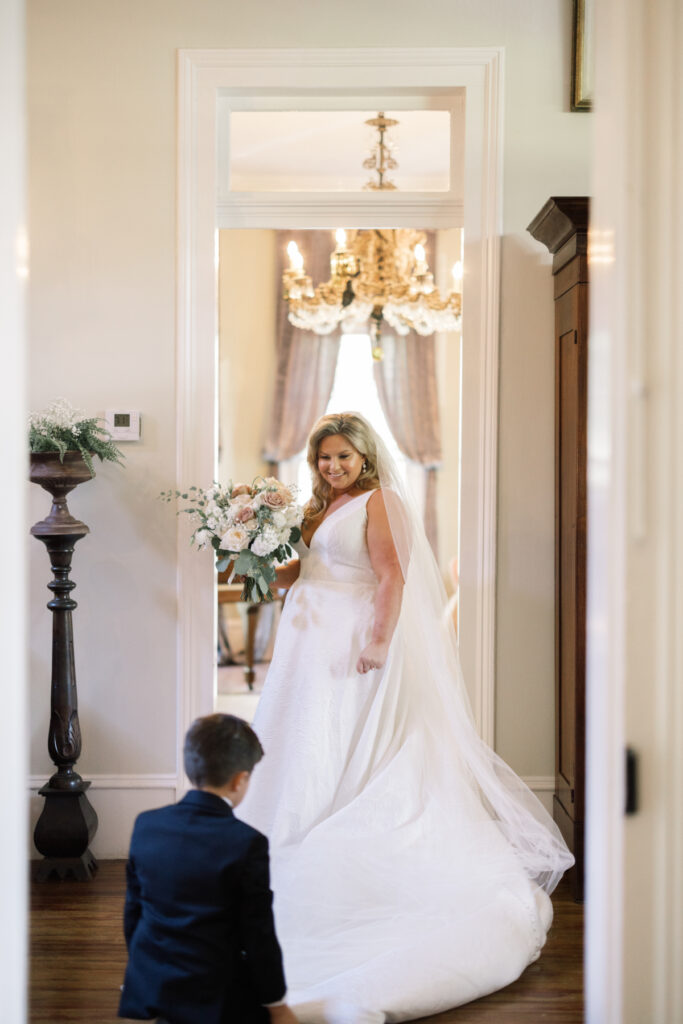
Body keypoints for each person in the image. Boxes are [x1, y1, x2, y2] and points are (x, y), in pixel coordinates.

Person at [238, 412, 573, 1024]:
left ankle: (326, 827)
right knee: (298, 739)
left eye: (343, 457)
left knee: (338, 738)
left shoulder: (380, 501)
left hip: (348, 640)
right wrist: (251, 563)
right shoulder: (318, 509)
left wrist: (379, 641)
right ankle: (288, 819)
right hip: (305, 641)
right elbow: (309, 570)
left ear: (364, 457)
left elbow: (391, 575)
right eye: (323, 459)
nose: (333, 467)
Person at [118, 713, 298, 1024]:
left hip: (154, 981)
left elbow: (133, 912)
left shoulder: (146, 825)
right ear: (239, 780)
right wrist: (277, 1004)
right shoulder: (247, 843)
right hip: (216, 995)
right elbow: (258, 934)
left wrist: (143, 968)